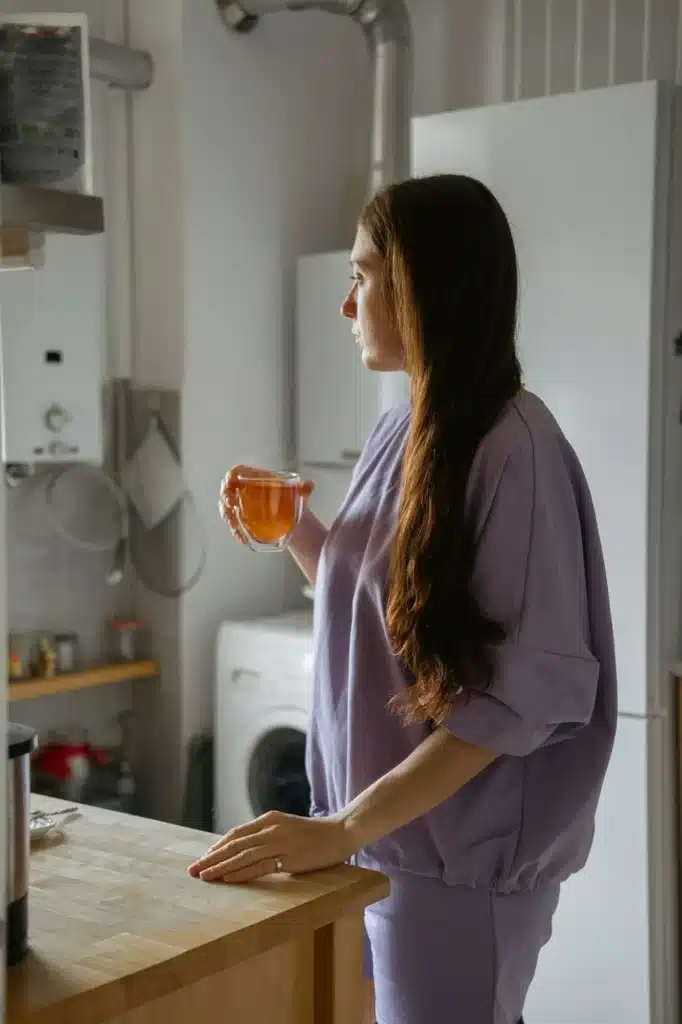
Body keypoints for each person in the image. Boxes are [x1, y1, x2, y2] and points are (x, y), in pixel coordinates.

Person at [188, 174, 618, 1024]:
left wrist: (346, 827)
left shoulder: (515, 447)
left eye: (362, 275)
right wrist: (301, 532)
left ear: (422, 281)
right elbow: (399, 617)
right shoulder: (405, 425)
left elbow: (513, 700)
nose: (348, 306)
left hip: (454, 862)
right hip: (380, 840)